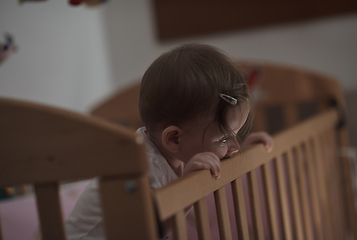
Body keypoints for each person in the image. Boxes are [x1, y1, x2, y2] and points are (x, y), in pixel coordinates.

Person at [65, 43, 273, 239]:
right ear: (174, 139)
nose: (233, 146)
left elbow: (216, 163)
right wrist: (188, 188)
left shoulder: (176, 149)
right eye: (225, 138)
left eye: (234, 135)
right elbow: (154, 230)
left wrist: (244, 153)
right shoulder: (142, 169)